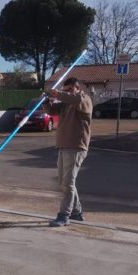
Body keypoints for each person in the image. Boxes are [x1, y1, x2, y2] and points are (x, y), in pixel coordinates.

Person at [45, 77, 93, 227]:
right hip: (63, 146)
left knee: (68, 183)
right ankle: (76, 212)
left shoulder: (84, 100)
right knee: (65, 183)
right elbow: (51, 110)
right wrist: (45, 101)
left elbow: (75, 99)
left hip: (76, 146)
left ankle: (64, 215)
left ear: (77, 88)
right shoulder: (66, 104)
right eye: (65, 90)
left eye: (70, 90)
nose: (67, 93)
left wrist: (57, 93)